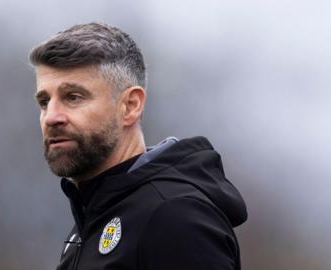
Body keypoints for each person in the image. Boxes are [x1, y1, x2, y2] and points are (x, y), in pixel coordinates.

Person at [29, 22, 247, 270]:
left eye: (73, 97)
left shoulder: (173, 217)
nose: (51, 117)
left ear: (130, 106)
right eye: (44, 101)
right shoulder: (94, 215)